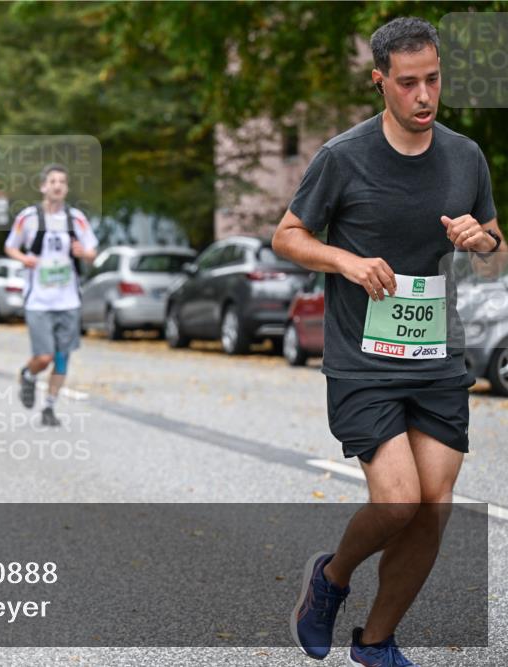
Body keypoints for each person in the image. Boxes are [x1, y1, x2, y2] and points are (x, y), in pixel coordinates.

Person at [271, 17, 506, 666]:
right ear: (381, 82)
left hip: (438, 359)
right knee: (398, 498)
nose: (424, 95)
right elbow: (285, 236)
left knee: (433, 507)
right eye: (408, 83)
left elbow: (495, 248)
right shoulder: (343, 157)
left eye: (433, 79)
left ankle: (376, 642)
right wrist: (345, 261)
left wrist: (479, 242)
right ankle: (332, 577)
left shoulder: (465, 157)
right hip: (362, 361)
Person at [4, 163, 98, 427]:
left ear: (66, 188)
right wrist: (25, 258)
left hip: (69, 300)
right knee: (44, 357)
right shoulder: (28, 217)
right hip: (39, 301)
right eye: (53, 181)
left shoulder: (76, 218)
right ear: (43, 186)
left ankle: (49, 407)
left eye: (62, 182)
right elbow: (10, 246)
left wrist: (84, 253)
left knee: (61, 358)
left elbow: (92, 251)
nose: (57, 186)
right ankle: (28, 374)